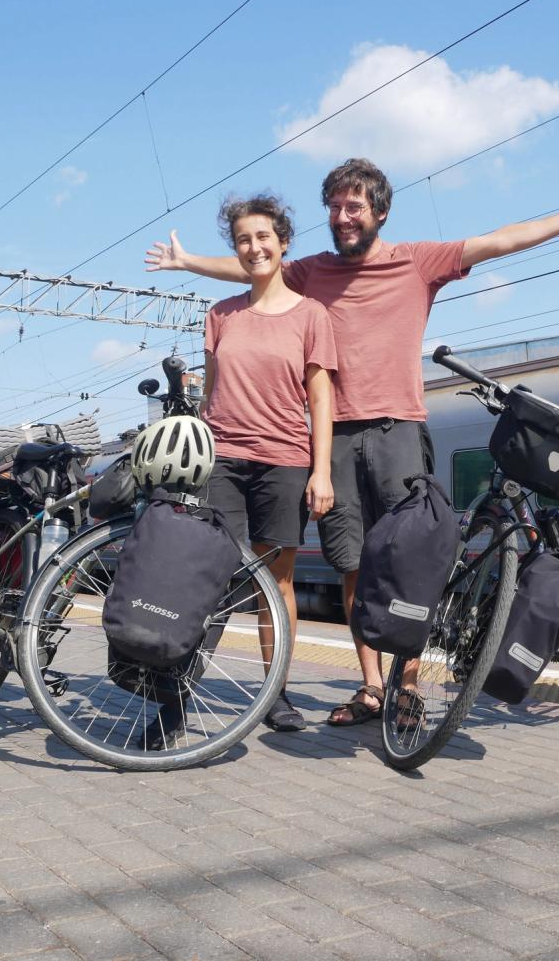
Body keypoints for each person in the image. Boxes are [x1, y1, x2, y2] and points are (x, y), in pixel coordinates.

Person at [147, 159, 559, 727]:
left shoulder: (418, 262)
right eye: (335, 208)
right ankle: (372, 688)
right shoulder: (311, 273)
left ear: (379, 212)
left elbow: (497, 243)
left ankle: (407, 688)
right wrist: (189, 260)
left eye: (354, 208)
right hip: (333, 437)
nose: (342, 218)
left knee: (407, 565)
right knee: (352, 567)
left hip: (397, 430)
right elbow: (254, 264)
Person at [199, 194, 337, 732]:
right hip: (222, 462)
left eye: (262, 237)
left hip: (283, 461)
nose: (253, 247)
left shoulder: (311, 316)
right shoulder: (219, 315)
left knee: (273, 584)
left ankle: (275, 693)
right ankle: (178, 690)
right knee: (209, 576)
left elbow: (320, 399)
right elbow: (209, 395)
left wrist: (320, 471)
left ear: (283, 243)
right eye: (242, 240)